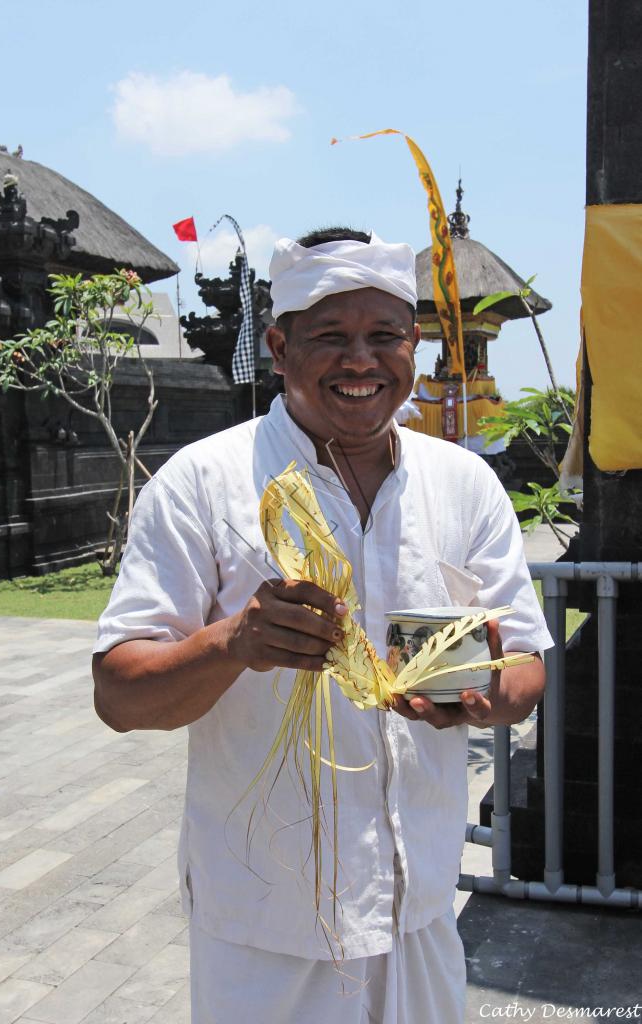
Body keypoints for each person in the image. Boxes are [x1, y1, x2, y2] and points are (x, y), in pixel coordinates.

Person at [92, 227, 552, 1024]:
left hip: (420, 907)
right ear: (279, 346)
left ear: (414, 344)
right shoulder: (204, 484)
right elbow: (119, 694)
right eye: (331, 337)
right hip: (269, 925)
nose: (361, 361)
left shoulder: (464, 483)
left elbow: (525, 667)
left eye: (383, 336)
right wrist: (234, 643)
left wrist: (481, 699)